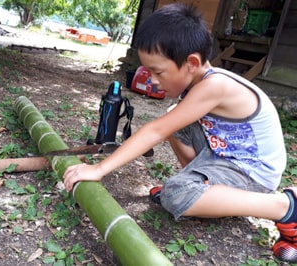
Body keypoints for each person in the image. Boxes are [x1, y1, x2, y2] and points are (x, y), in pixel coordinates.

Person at [63, 3, 296, 263]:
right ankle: (202, 190)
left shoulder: (215, 86)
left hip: (253, 172)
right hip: (225, 156)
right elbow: (167, 127)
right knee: (175, 118)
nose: (151, 80)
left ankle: (285, 207)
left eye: (157, 72)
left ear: (191, 63)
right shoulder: (200, 82)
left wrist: (98, 170)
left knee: (176, 192)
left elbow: (156, 131)